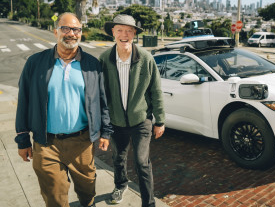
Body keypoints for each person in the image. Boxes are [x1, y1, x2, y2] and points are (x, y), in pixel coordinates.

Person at [15, 12, 113, 207]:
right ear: (55, 32)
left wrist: (106, 131)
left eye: (76, 29)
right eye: (65, 29)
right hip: (46, 144)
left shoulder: (92, 65)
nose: (71, 34)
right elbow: (24, 100)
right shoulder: (35, 63)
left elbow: (102, 101)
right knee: (55, 199)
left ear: (81, 33)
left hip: (82, 143)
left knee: (88, 195)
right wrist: (22, 138)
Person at [99, 14, 165, 207]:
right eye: (119, 30)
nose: (124, 34)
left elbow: (156, 90)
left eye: (129, 30)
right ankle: (120, 185)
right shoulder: (105, 59)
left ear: (134, 33)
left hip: (141, 120)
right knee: (118, 158)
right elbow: (101, 94)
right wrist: (102, 124)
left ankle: (148, 202)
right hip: (115, 121)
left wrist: (160, 120)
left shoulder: (146, 58)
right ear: (113, 32)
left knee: (141, 162)